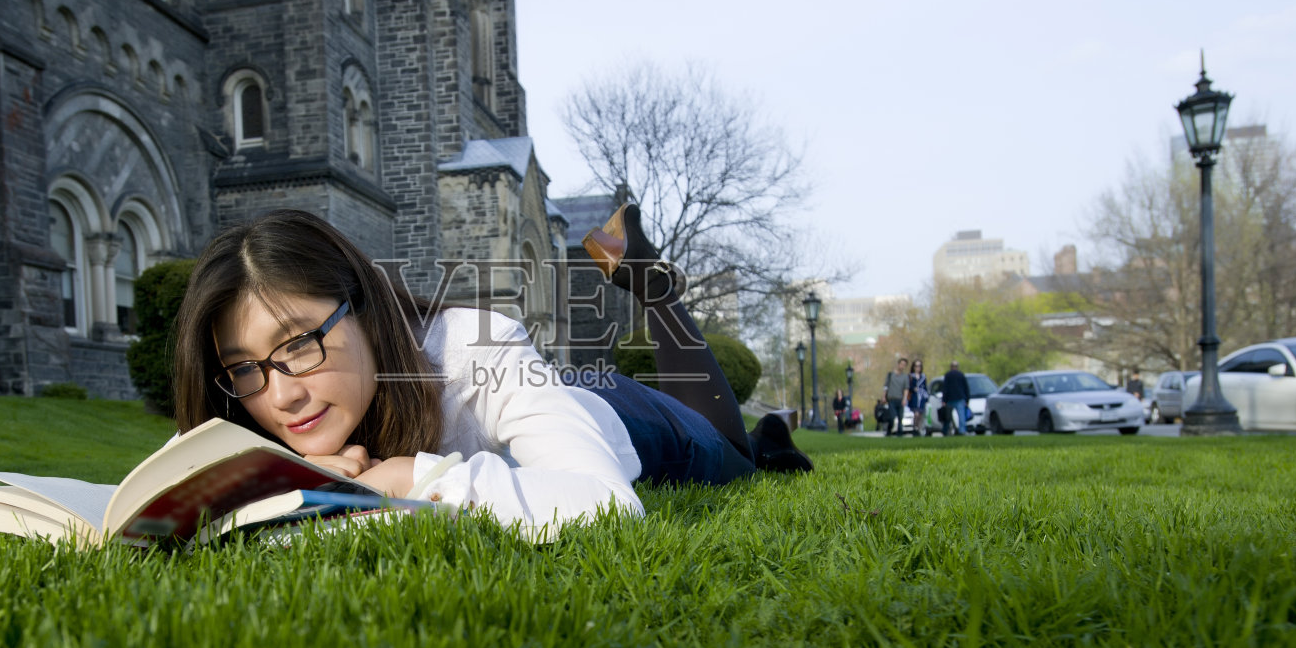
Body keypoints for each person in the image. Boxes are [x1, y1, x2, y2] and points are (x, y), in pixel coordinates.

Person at [169, 207, 813, 540]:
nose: (282, 394)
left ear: (364, 312)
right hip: (545, 408)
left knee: (734, 456)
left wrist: (417, 478)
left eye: (302, 343)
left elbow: (607, 506)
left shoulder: (473, 350)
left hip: (624, 425)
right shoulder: (245, 405)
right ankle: (775, 437)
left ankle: (654, 285)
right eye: (245, 367)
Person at [940, 360, 971, 437]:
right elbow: (966, 388)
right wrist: (967, 399)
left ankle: (945, 431)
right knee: (961, 416)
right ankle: (962, 431)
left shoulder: (947, 375)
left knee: (948, 416)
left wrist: (944, 400)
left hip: (949, 399)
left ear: (951, 367)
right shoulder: (961, 375)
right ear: (957, 367)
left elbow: (945, 388)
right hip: (960, 398)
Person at [883, 358, 909, 436]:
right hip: (891, 399)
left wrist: (904, 399)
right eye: (901, 364)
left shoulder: (905, 377)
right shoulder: (891, 375)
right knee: (892, 417)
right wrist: (884, 396)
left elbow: (906, 388)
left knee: (900, 417)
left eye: (904, 365)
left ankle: (900, 433)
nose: (902, 366)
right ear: (898, 364)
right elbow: (886, 386)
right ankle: (889, 430)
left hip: (900, 399)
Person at [907, 360, 929, 436]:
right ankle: (915, 428)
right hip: (914, 398)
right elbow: (908, 387)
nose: (918, 368)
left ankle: (918, 429)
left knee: (920, 414)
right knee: (916, 414)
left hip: (922, 397)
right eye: (916, 366)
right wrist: (913, 389)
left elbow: (925, 387)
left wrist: (926, 397)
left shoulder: (923, 376)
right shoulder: (910, 376)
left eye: (919, 366)